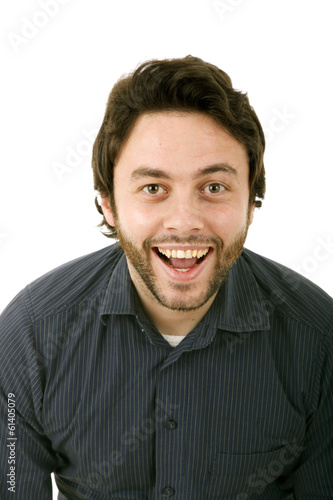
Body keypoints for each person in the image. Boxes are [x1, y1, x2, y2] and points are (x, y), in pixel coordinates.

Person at [0, 55, 332, 500]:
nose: (184, 221)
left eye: (213, 187)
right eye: (153, 188)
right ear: (108, 204)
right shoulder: (30, 334)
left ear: (252, 201)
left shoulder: (319, 340)